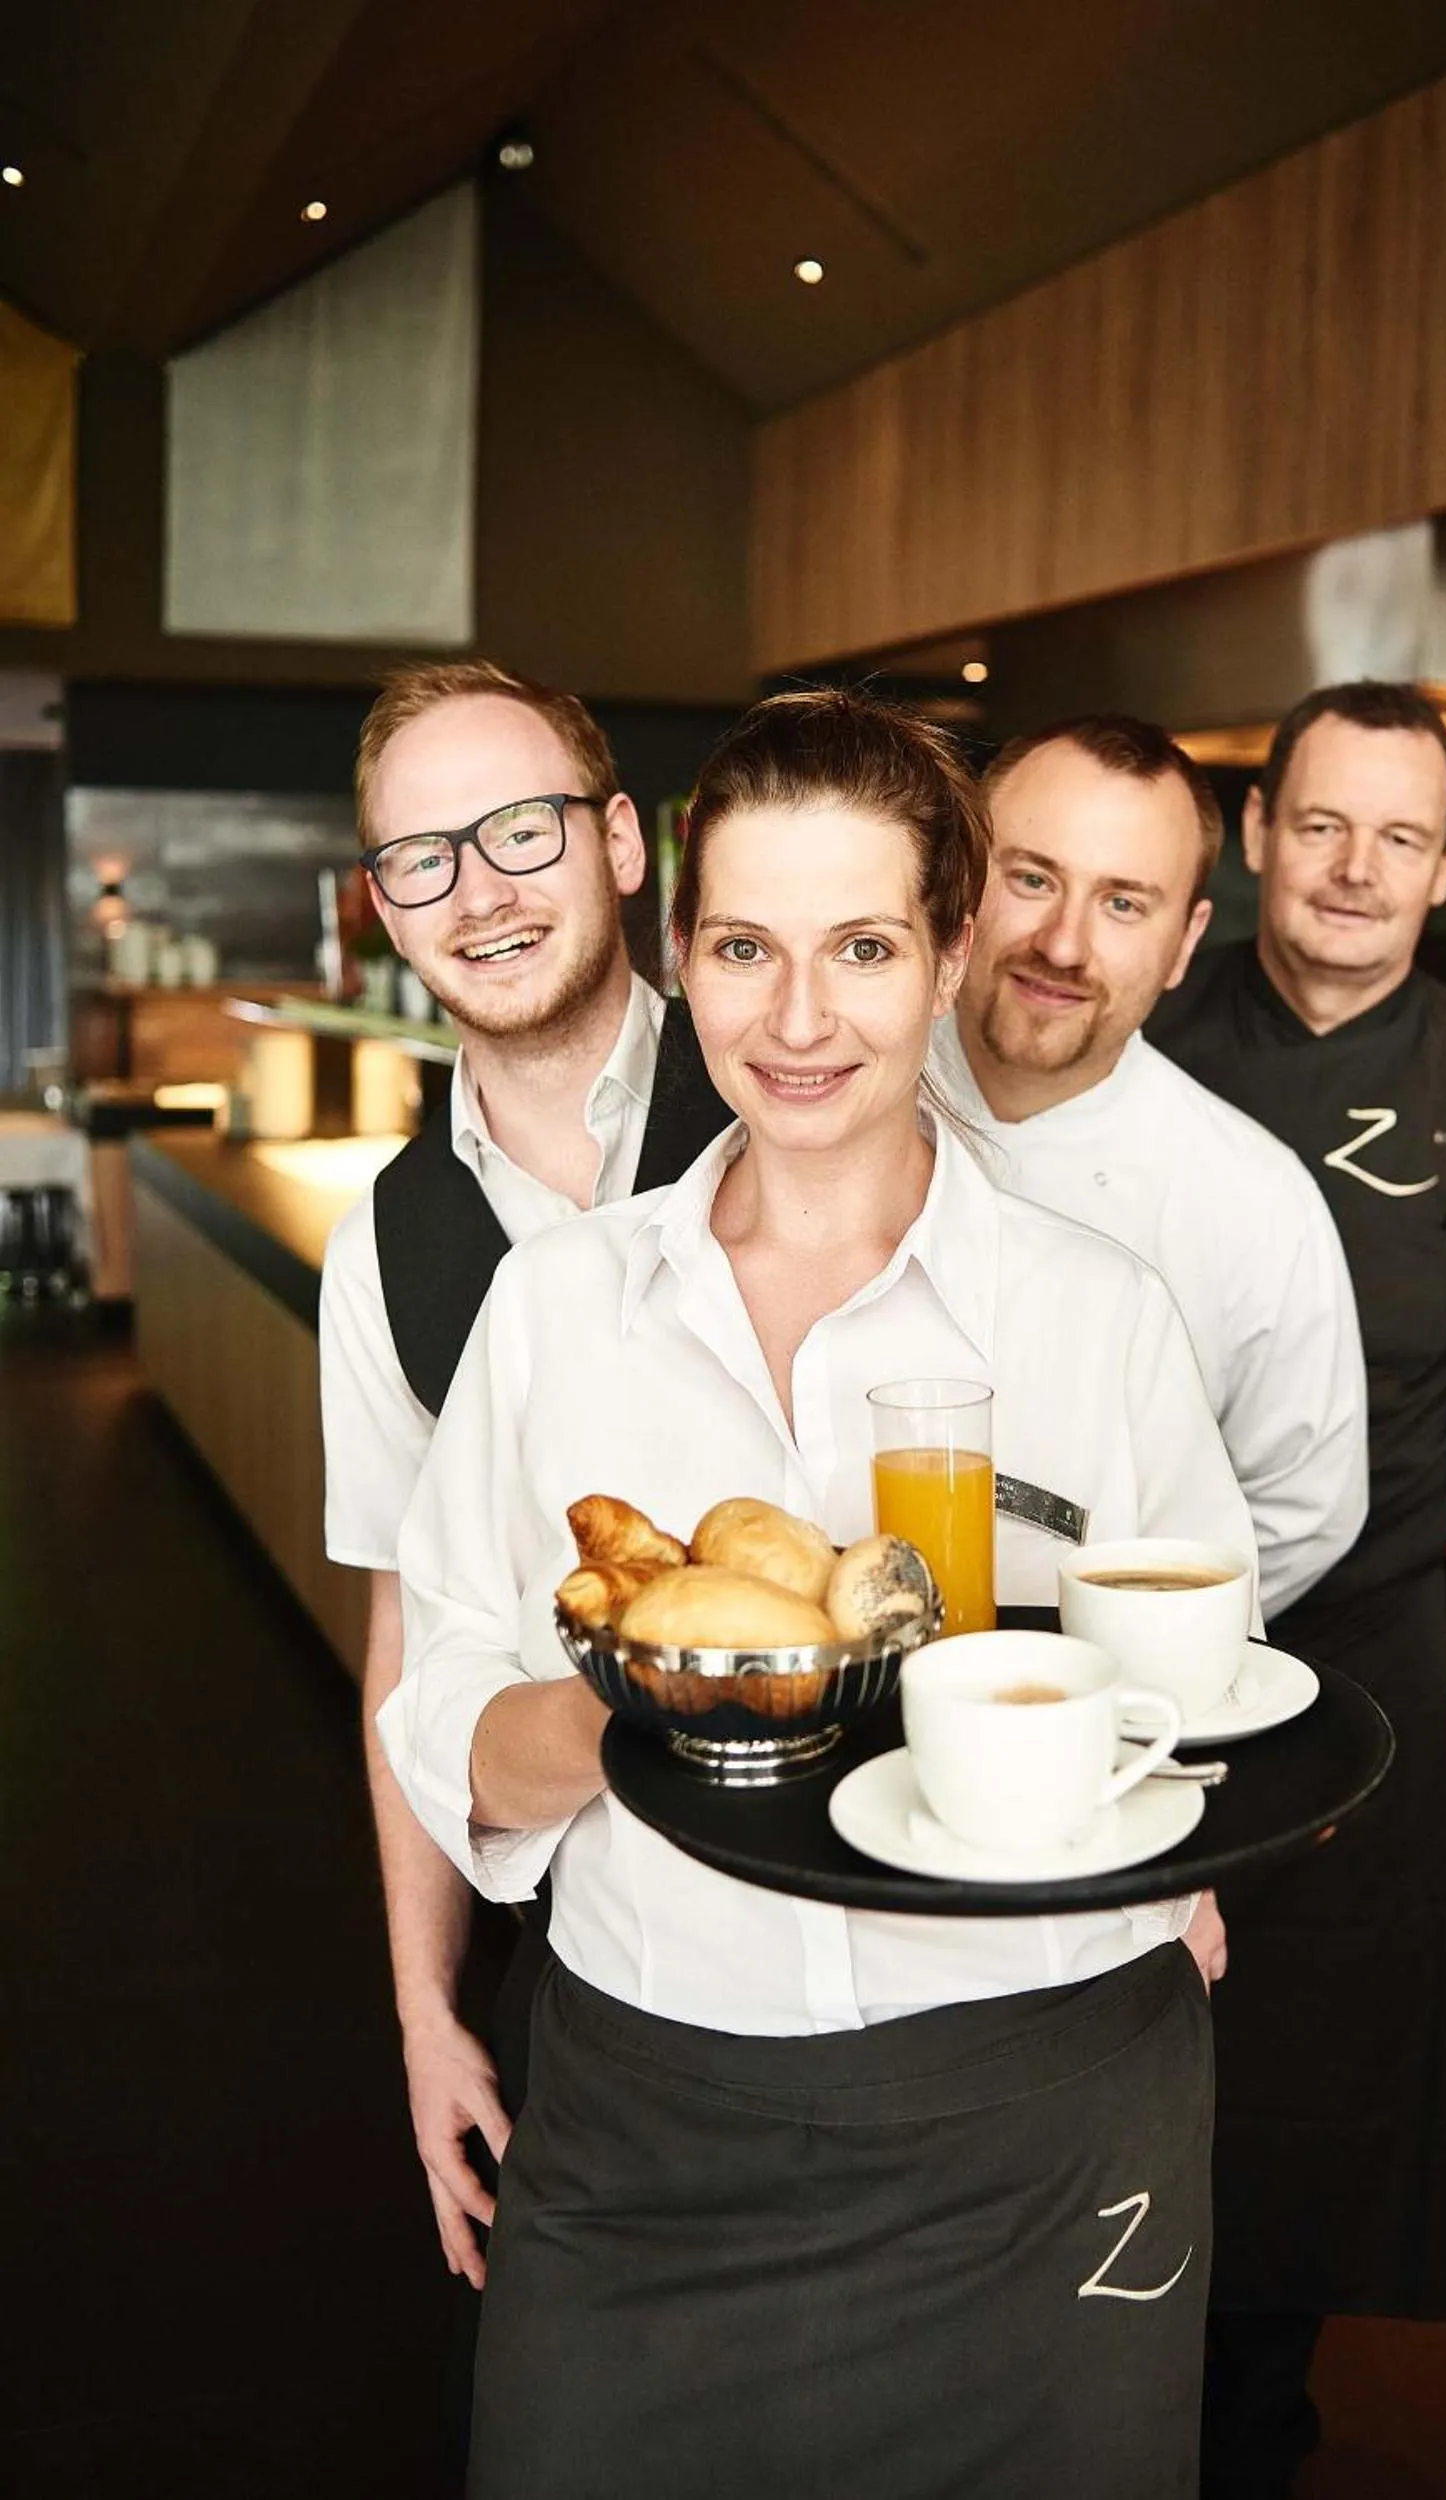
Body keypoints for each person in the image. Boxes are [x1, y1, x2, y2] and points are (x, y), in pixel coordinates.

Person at [380, 687, 1259, 2498]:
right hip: (646, 2124)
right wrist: (638, 1698)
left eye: (860, 946)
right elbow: (443, 1707)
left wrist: (1149, 1827)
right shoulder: (559, 1310)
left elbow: (1199, 1682)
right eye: (743, 948)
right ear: (679, 960)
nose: (796, 1019)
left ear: (947, 956)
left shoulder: (1094, 1314)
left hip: (1039, 2118)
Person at [1146, 680, 1446, 2500]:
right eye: (1318, 824)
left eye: (1396, 836)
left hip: (1356, 1665)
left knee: (1309, 2083)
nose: (1352, 869)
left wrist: (1358, 1522)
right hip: (1092, 1649)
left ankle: (1243, 2437)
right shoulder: (1134, 1048)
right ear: (1256, 834)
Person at [319, 662, 729, 2313]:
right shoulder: (389, 1245)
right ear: (381, 909)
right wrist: (426, 2013)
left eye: (521, 831)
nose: (478, 890)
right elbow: (405, 1643)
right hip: (599, 1966)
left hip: (899, 1937)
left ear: (622, 843)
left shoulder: (800, 1088)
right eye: (423, 856)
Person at [932, 714, 1367, 1619]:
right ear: (964, 876)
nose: (1063, 942)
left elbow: (1304, 1508)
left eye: (1124, 902)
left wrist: (1131, 1643)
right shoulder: (828, 1096)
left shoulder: (1256, 1199)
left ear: (1184, 940)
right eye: (1031, 877)